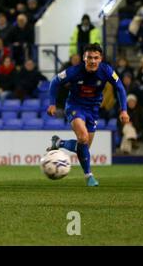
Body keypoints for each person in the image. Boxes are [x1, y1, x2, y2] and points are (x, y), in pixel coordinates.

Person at [47, 43, 129, 187]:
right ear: (84, 58)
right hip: (75, 106)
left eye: (96, 58)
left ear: (101, 58)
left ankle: (59, 143)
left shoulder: (107, 71)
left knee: (83, 146)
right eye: (89, 57)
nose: (92, 61)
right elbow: (54, 82)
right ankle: (89, 175)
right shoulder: (74, 71)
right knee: (83, 138)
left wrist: (124, 110)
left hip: (93, 110)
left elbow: (120, 88)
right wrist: (52, 103)